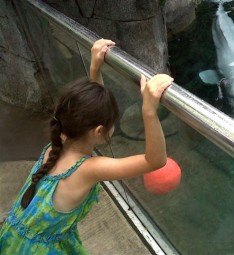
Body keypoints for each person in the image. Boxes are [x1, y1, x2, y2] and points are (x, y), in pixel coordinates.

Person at [0, 39, 174, 254]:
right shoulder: (88, 169)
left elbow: (92, 113)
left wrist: (95, 69)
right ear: (99, 131)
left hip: (14, 239)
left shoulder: (55, 144)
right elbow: (155, 160)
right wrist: (149, 111)